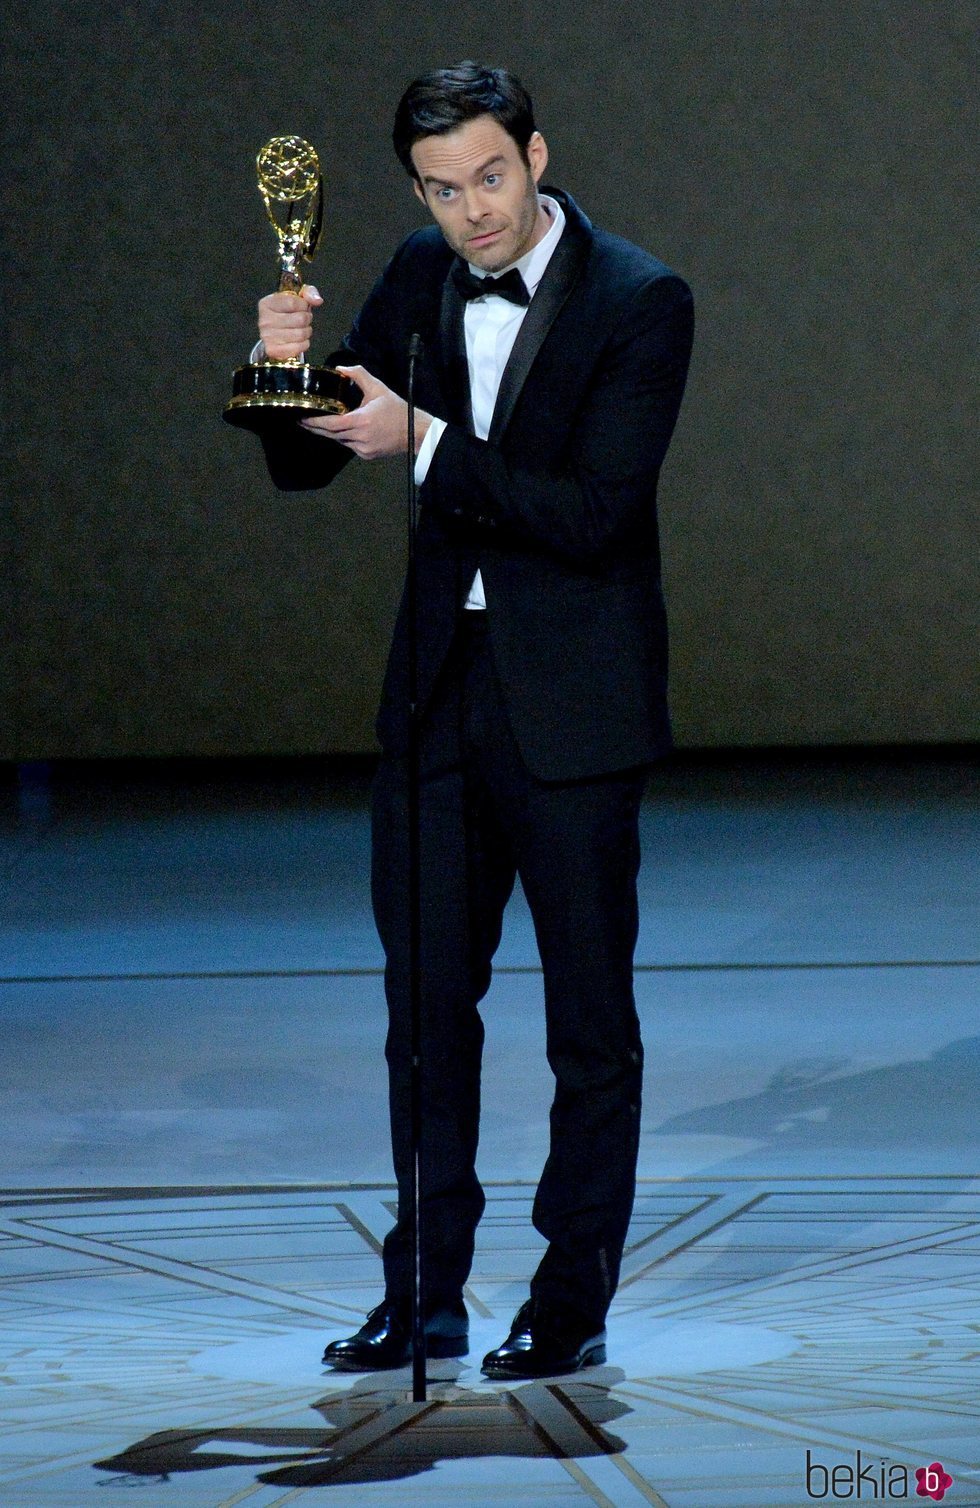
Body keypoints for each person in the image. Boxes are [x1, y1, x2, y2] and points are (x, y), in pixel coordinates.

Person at [254, 61, 694, 1379]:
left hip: (576, 710)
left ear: (539, 155)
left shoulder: (640, 299)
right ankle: (425, 1291)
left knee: (587, 1022)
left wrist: (426, 441)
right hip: (440, 698)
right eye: (444, 190)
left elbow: (593, 513)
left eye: (490, 177)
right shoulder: (417, 273)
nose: (472, 213)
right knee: (424, 1013)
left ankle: (571, 1298)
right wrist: (281, 372)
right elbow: (306, 456)